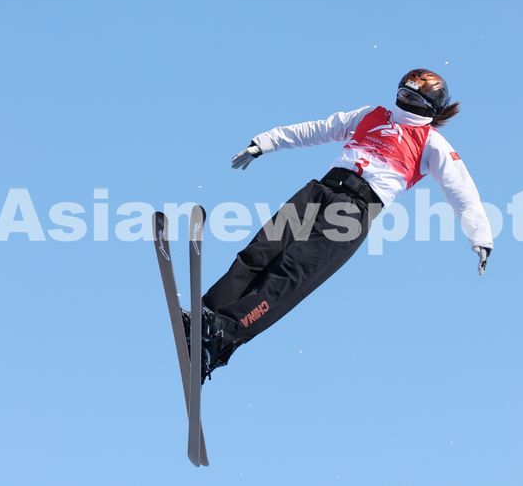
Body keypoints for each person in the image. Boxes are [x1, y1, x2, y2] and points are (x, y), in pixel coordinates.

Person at [186, 68, 494, 382]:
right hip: (319, 191)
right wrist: (265, 142)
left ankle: (225, 334)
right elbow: (319, 129)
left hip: (354, 211)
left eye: (413, 100)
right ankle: (206, 315)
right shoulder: (372, 114)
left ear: (430, 109)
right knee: (260, 251)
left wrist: (480, 236)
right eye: (403, 94)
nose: (405, 102)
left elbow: (462, 191)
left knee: (289, 272)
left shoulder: (432, 143)